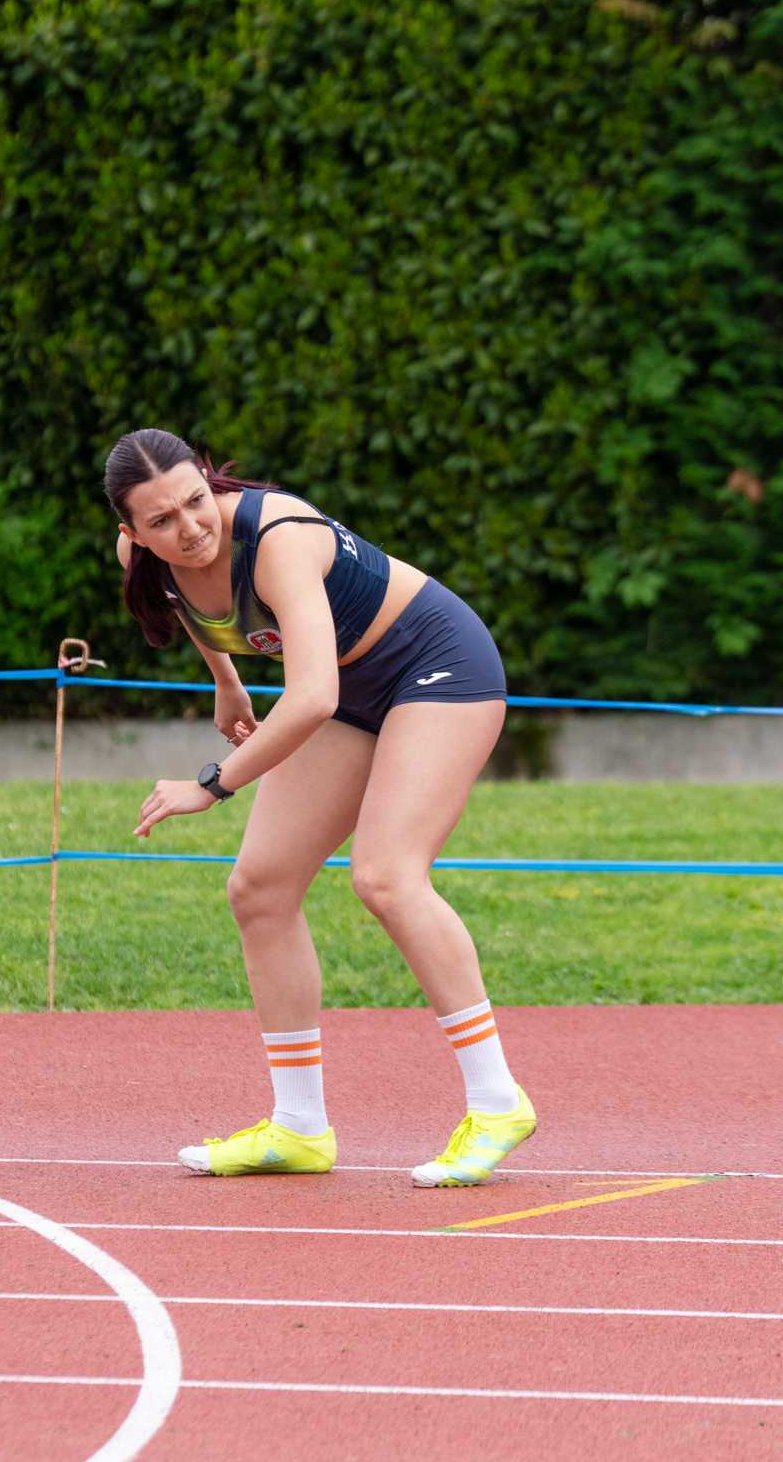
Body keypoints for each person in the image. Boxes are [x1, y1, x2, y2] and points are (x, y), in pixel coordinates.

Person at [105, 427, 534, 1187]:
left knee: (386, 875)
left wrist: (211, 784)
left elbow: (309, 699)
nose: (190, 528)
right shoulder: (143, 557)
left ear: (209, 481)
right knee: (260, 889)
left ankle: (499, 1103)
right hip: (351, 686)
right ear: (132, 533)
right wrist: (227, 681)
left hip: (436, 664)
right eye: (162, 521)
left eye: (196, 501)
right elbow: (190, 600)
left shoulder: (277, 539)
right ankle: (299, 1127)